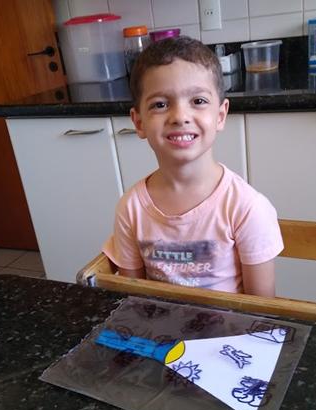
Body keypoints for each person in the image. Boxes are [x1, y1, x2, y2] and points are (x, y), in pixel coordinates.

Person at [102, 36, 283, 297]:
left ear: (220, 115)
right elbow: (132, 297)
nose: (180, 116)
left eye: (198, 101)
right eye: (160, 104)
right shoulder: (130, 208)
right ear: (139, 122)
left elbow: (263, 308)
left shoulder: (247, 208)